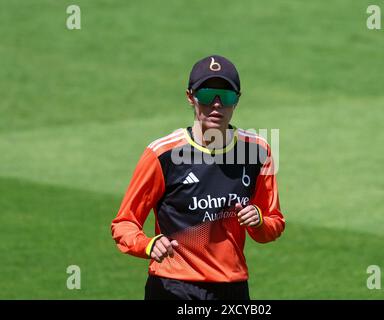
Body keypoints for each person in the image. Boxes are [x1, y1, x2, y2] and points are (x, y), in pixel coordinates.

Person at [111, 55, 285, 300]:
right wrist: (147, 245)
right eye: (206, 95)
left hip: (232, 288)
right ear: (190, 97)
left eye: (226, 97)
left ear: (237, 101)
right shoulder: (162, 154)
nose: (216, 105)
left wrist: (258, 221)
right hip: (173, 286)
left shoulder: (257, 151)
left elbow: (273, 222)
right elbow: (124, 223)